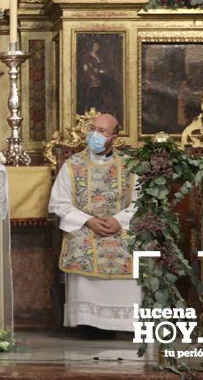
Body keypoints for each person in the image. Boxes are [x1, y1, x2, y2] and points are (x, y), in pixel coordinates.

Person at [48, 113, 141, 335]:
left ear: (114, 138)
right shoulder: (72, 165)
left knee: (129, 246)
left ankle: (125, 323)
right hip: (84, 228)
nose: (94, 135)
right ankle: (88, 322)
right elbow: (58, 203)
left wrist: (119, 221)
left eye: (102, 131)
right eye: (93, 129)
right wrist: (88, 220)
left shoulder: (130, 166)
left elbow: (142, 202)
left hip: (120, 228)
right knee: (80, 244)